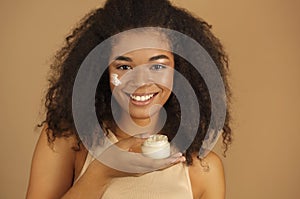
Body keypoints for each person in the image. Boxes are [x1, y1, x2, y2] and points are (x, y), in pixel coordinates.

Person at [26, 0, 232, 198]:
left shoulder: (204, 170)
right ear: (102, 70)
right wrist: (101, 170)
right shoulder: (68, 139)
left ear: (180, 70)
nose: (141, 82)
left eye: (157, 66)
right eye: (124, 67)